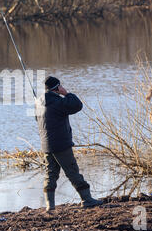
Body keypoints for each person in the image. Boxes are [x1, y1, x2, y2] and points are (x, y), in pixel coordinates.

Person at [35, 76, 103, 210]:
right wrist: (66, 93)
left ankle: (50, 206)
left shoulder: (39, 102)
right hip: (61, 144)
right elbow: (78, 105)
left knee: (51, 173)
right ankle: (87, 199)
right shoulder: (58, 101)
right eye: (60, 87)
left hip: (46, 145)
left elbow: (37, 120)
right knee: (72, 171)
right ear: (57, 88)